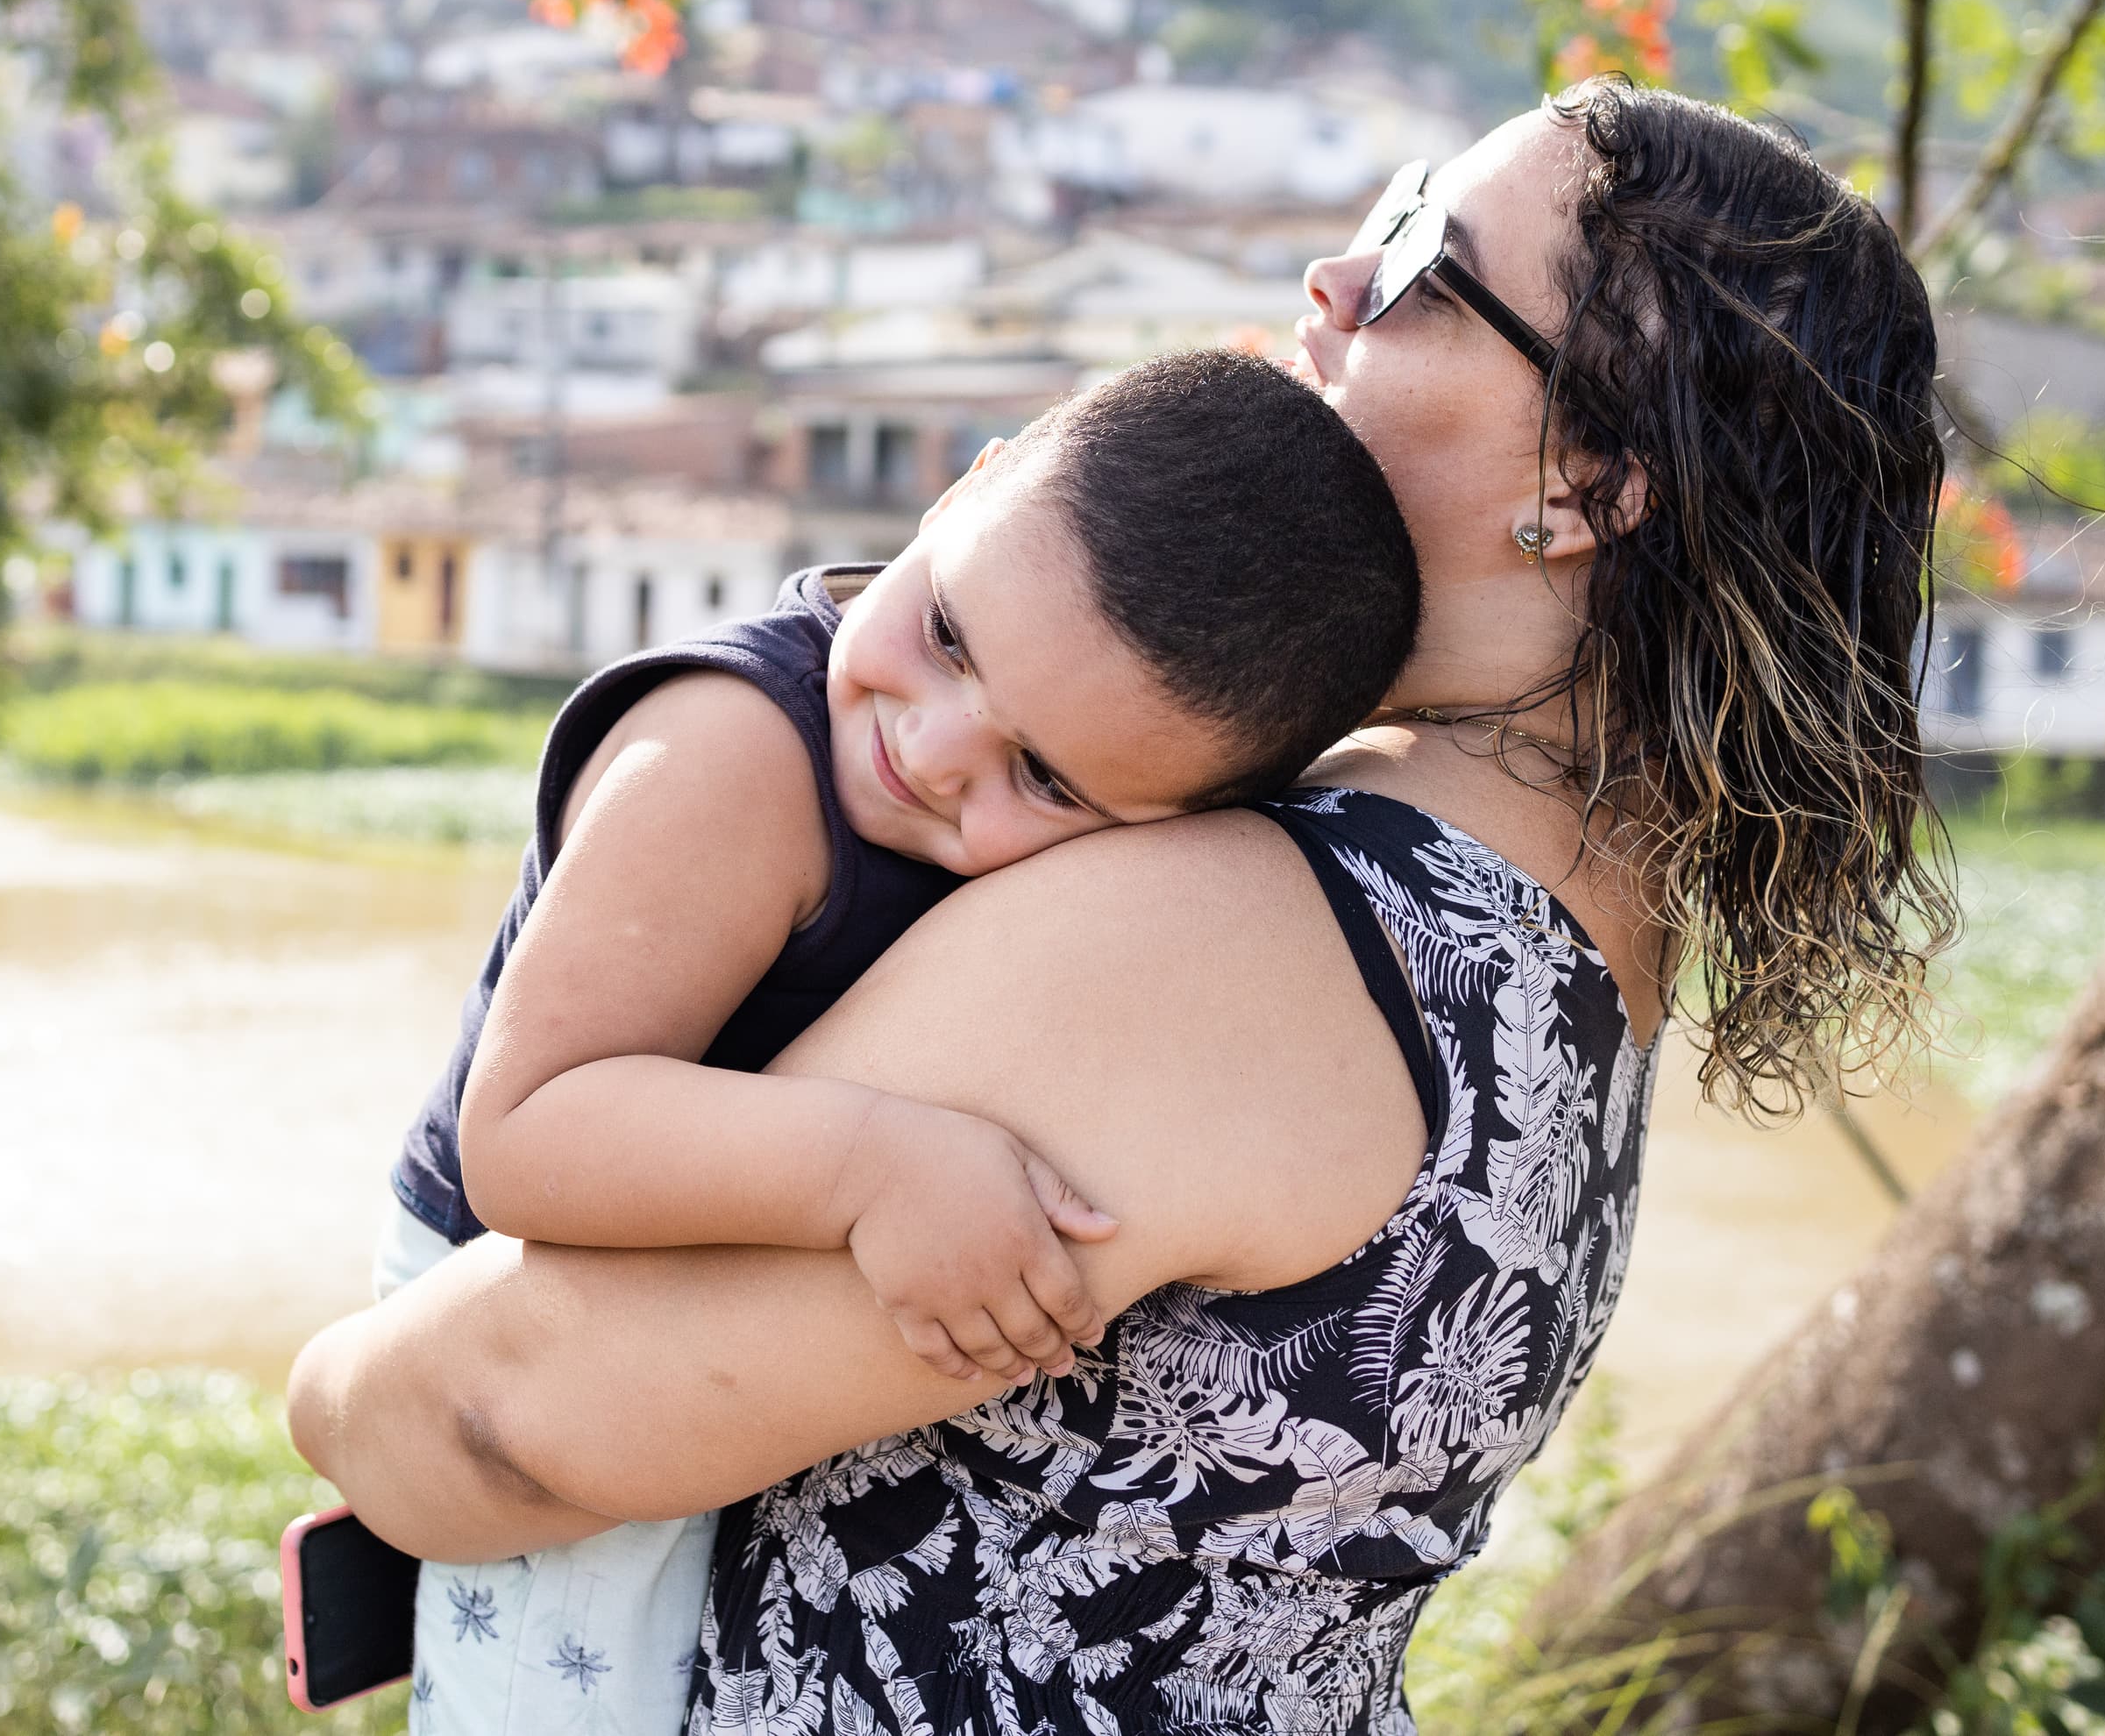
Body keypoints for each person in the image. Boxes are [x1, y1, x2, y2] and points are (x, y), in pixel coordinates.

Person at [292, 83, 1953, 1736]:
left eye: (1419, 256)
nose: (1334, 280)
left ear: (1586, 481)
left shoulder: (1239, 936)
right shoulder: (1582, 950)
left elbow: (504, 1422)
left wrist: (333, 1392)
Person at [377, 348, 1425, 1735]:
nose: (933, 749)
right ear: (970, 482)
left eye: (1044, 777)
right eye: (947, 634)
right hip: (520, 1292)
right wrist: (875, 1167)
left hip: (697, 1287)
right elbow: (529, 1134)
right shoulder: (738, 756)